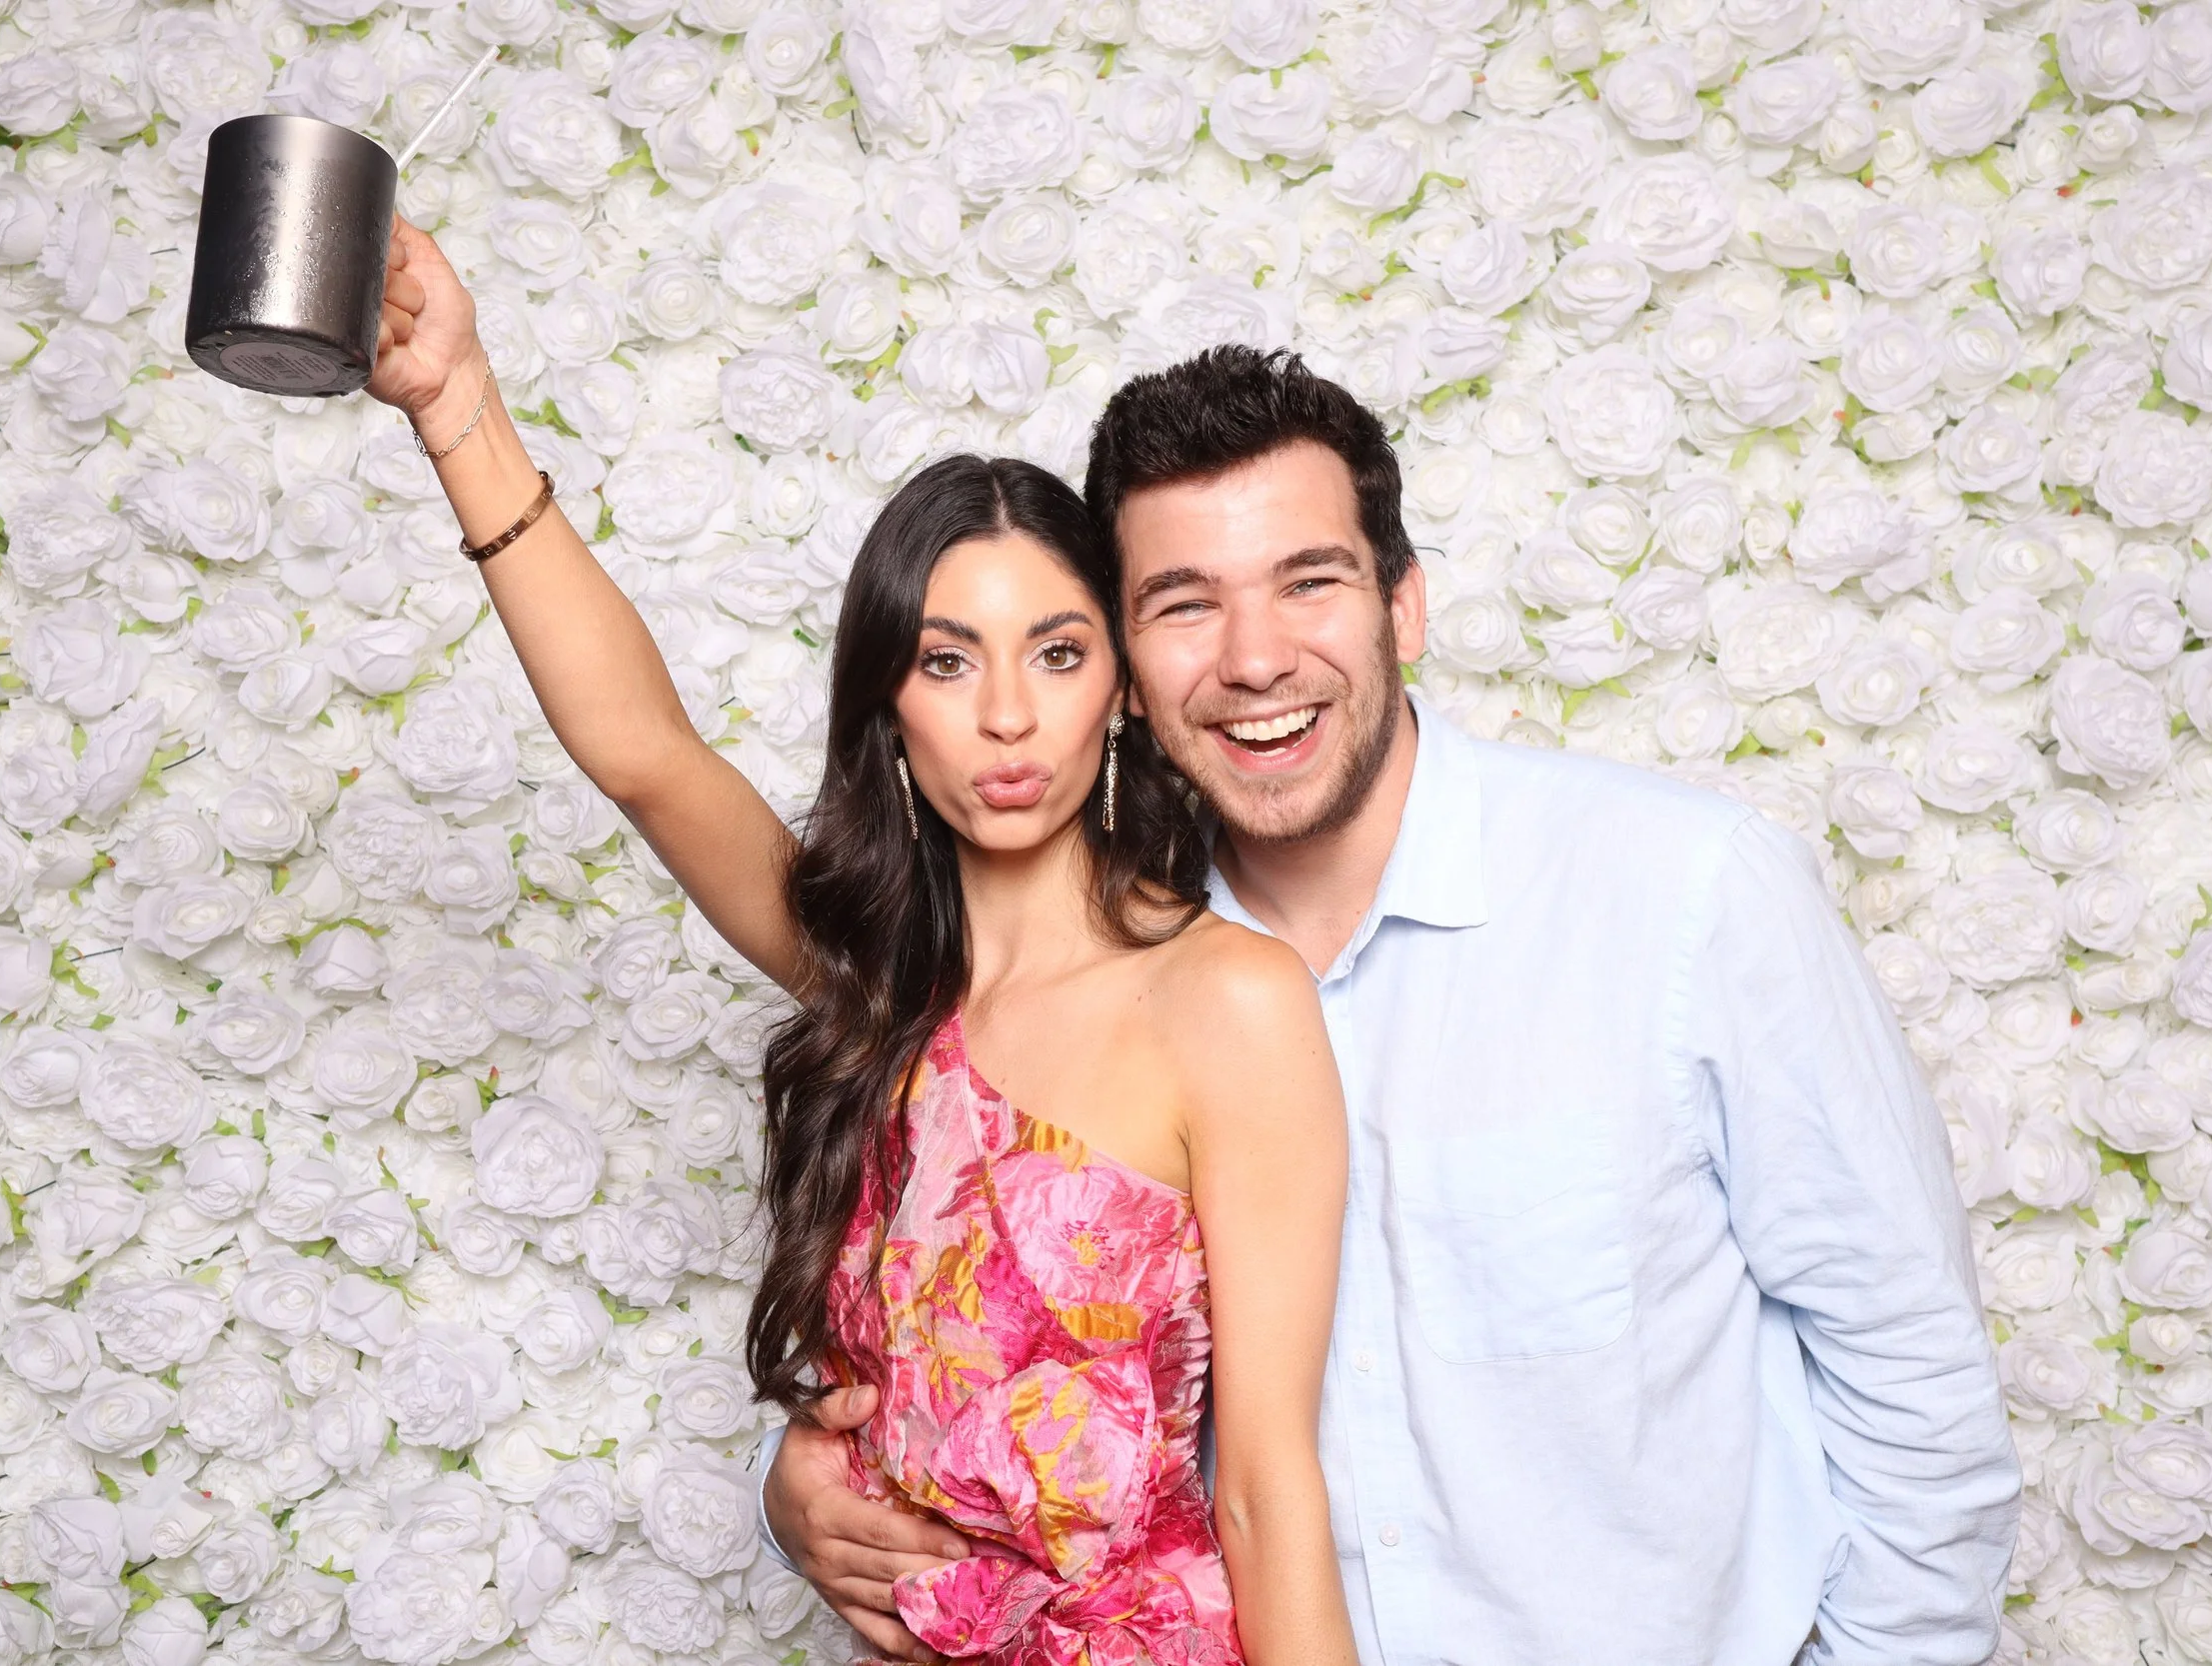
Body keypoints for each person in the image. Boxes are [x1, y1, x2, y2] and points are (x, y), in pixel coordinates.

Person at [763, 346, 2025, 1665]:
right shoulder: (1102, 968)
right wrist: (804, 1486)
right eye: (1185, 603)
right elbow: (980, 1295)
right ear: (1125, 665)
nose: (1255, 659)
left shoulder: (1685, 895)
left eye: (1309, 582)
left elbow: (1916, 1384)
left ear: (1404, 606)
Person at [362, 218, 1362, 1666]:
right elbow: (645, 753)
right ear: (891, 700)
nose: (1008, 717)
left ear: (1125, 693)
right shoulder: (885, 986)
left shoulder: (1225, 1000)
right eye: (948, 660)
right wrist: (460, 409)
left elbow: (1269, 1490)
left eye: (1060, 652)